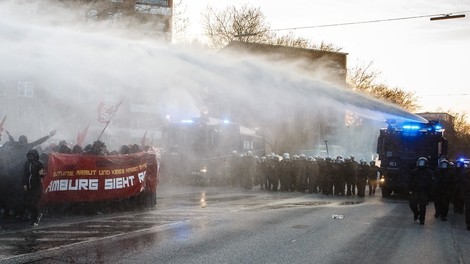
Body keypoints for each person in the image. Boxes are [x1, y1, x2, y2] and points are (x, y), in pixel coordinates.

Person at [22, 149, 45, 226]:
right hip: (29, 186)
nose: (30, 157)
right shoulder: (27, 163)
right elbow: (25, 174)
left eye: (32, 155)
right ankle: (37, 215)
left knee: (33, 203)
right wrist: (25, 184)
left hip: (37, 186)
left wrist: (41, 174)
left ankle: (35, 219)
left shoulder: (40, 163)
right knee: (28, 203)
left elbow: (42, 174)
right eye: (29, 156)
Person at [409, 157, 434, 225]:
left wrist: (431, 192)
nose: (421, 164)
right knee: (412, 204)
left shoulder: (429, 173)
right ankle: (417, 213)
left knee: (422, 206)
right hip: (415, 190)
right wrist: (409, 189)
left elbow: (432, 183)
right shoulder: (414, 172)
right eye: (420, 163)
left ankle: (422, 219)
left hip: (424, 191)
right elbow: (410, 181)